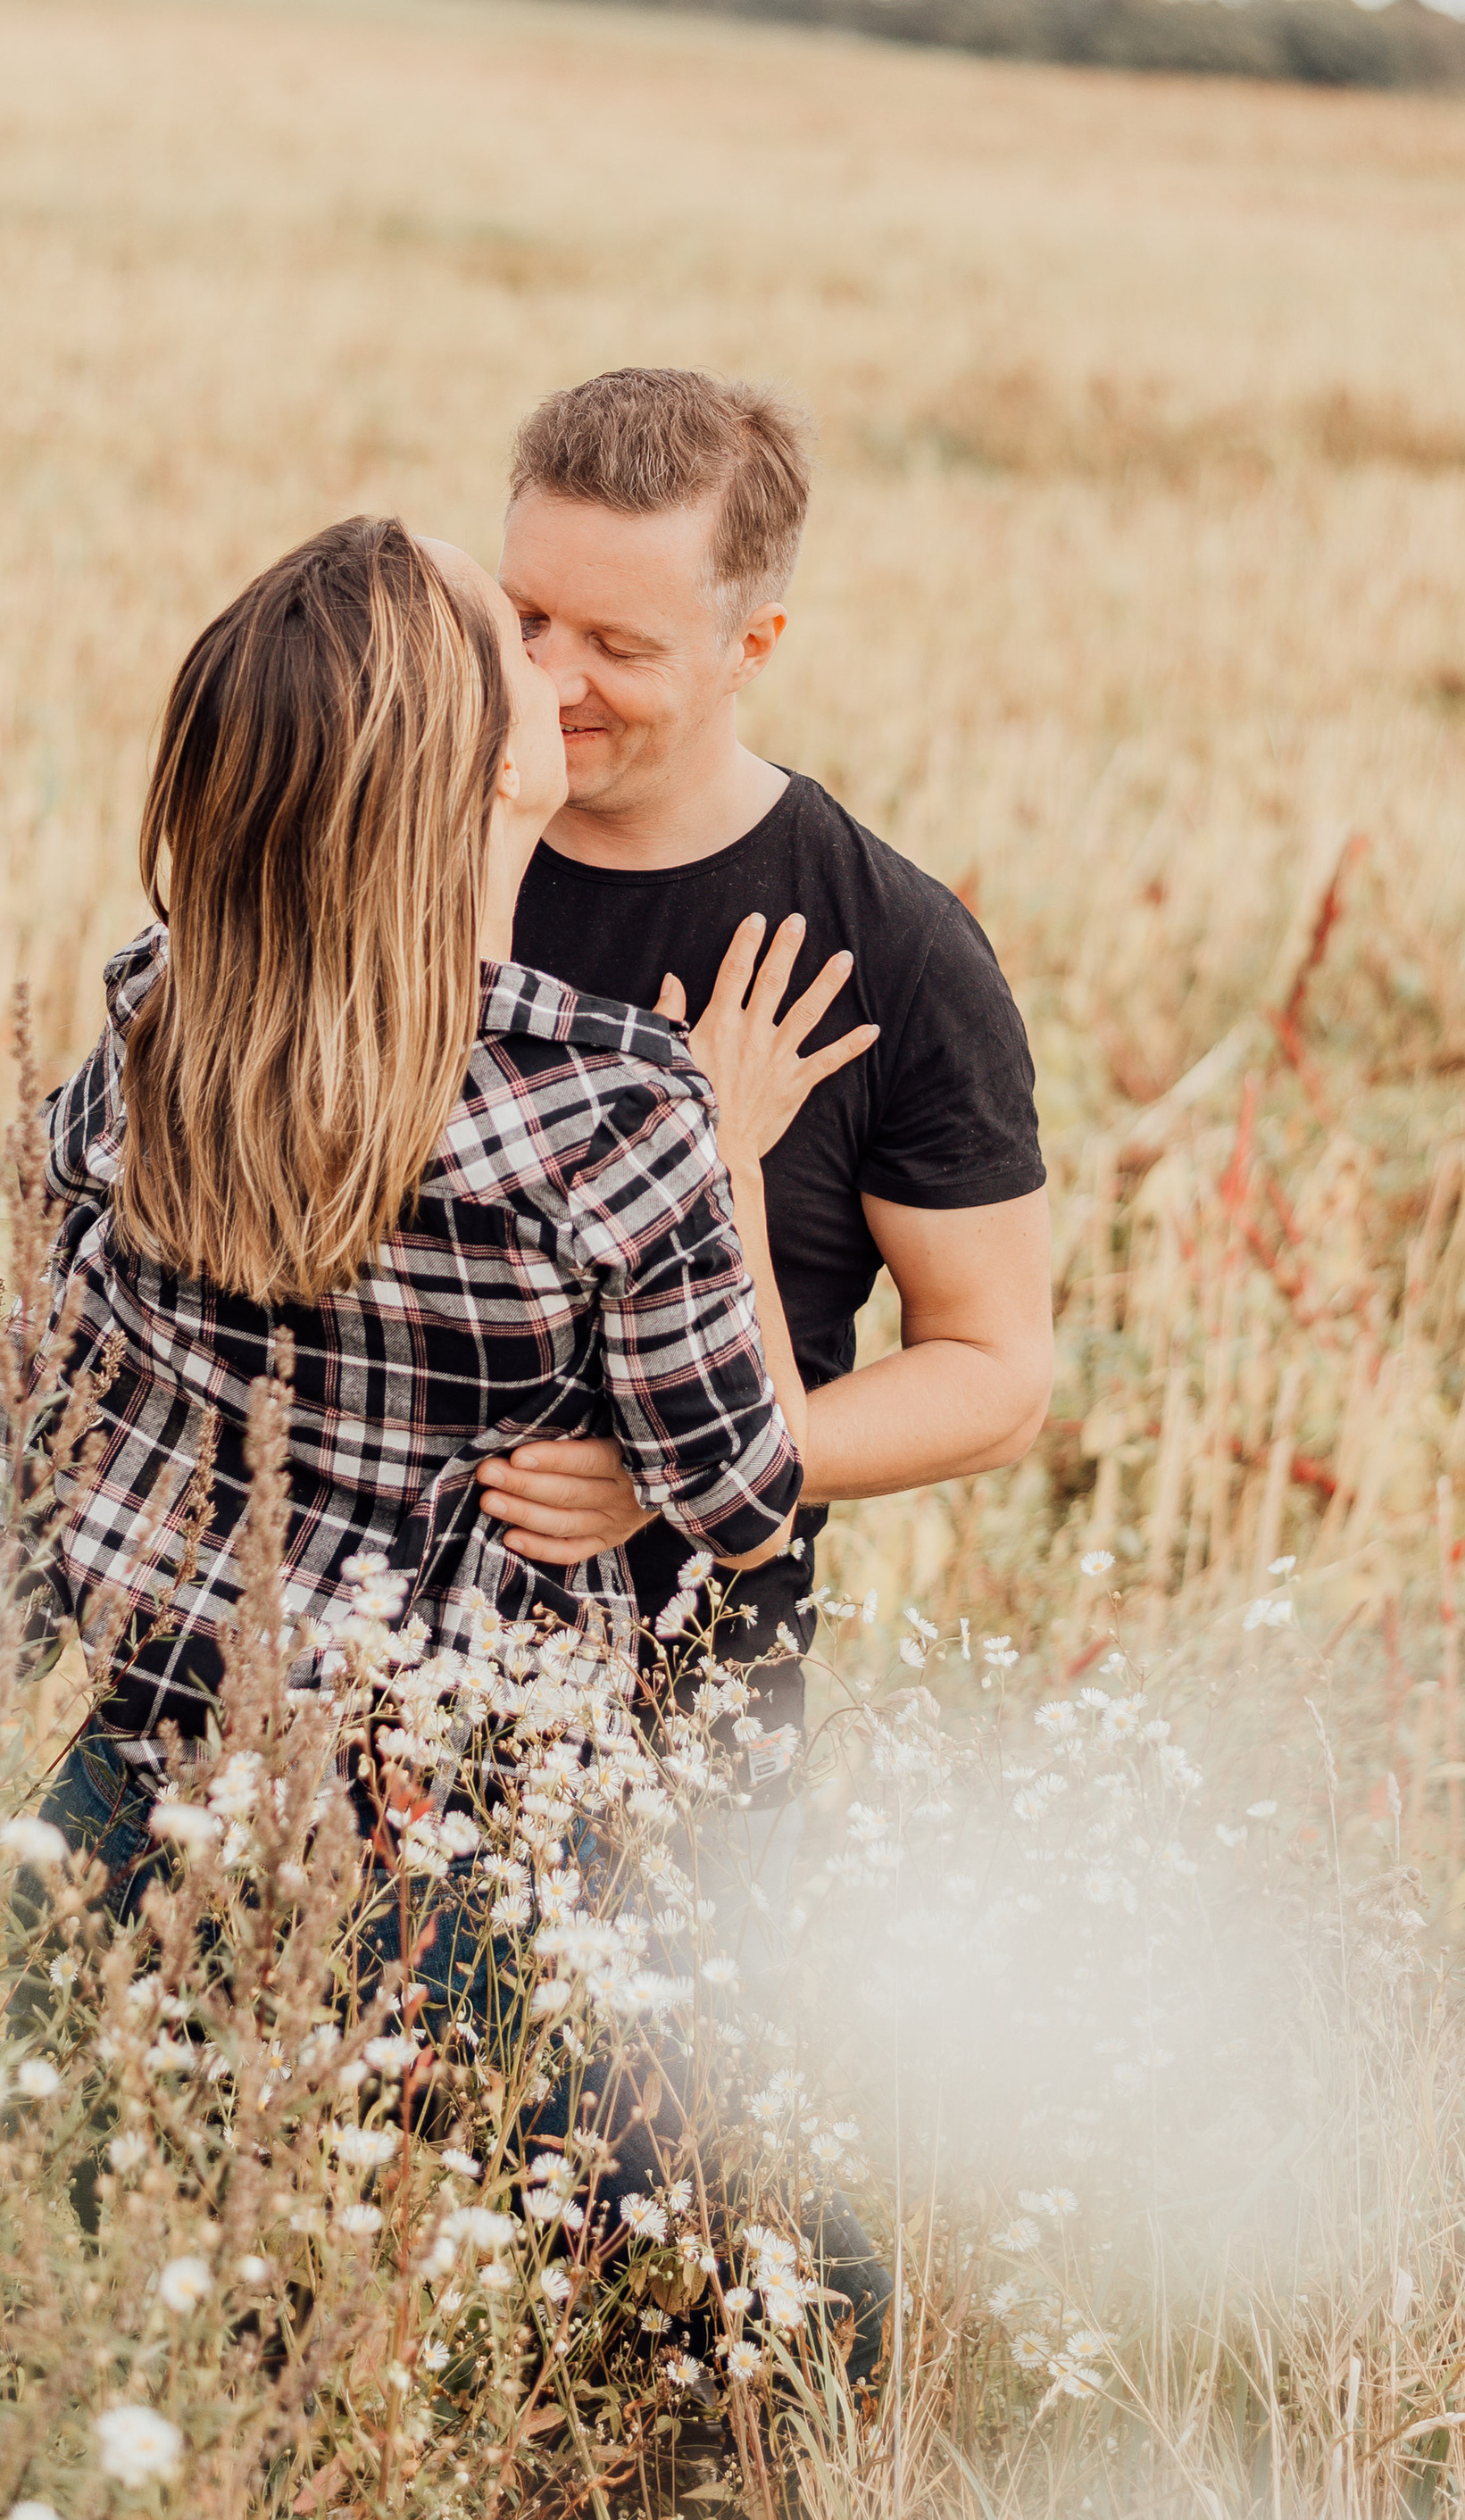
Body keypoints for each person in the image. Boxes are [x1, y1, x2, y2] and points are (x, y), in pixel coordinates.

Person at [0, 513, 888, 2353]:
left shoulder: (162, 1013)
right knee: (787, 2305)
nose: (557, 674)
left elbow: (38, 1365)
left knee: (132, 2326)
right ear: (489, 770)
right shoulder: (611, 1112)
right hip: (433, 1852)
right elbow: (734, 1493)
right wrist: (718, 1147)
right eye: (514, 649)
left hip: (130, 1794)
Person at [477, 370, 1053, 1922]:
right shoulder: (394, 844)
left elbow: (996, 1371)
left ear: (754, 647)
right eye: (525, 615)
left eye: (619, 645)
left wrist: (694, 1473)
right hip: (326, 1667)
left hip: (681, 1723)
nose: (549, 677)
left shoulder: (896, 951)